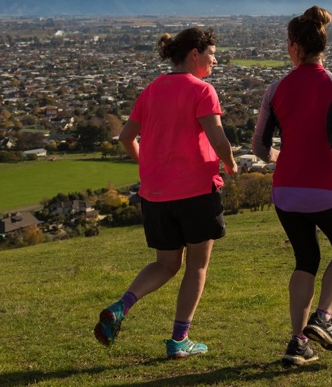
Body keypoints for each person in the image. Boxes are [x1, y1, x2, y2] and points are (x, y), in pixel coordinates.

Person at [94, 26, 237, 360]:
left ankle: (121, 306)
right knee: (197, 265)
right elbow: (217, 138)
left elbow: (126, 138)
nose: (215, 61)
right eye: (212, 54)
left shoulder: (152, 89)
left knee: (166, 263)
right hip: (196, 192)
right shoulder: (203, 90)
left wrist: (148, 167)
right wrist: (230, 163)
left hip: (156, 195)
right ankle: (179, 340)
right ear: (194, 55)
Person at [253, 6, 332, 367]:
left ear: (294, 48)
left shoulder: (275, 89)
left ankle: (297, 343)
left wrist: (283, 156)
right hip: (327, 186)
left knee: (305, 260)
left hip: (286, 192)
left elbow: (259, 148)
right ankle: (323, 318)